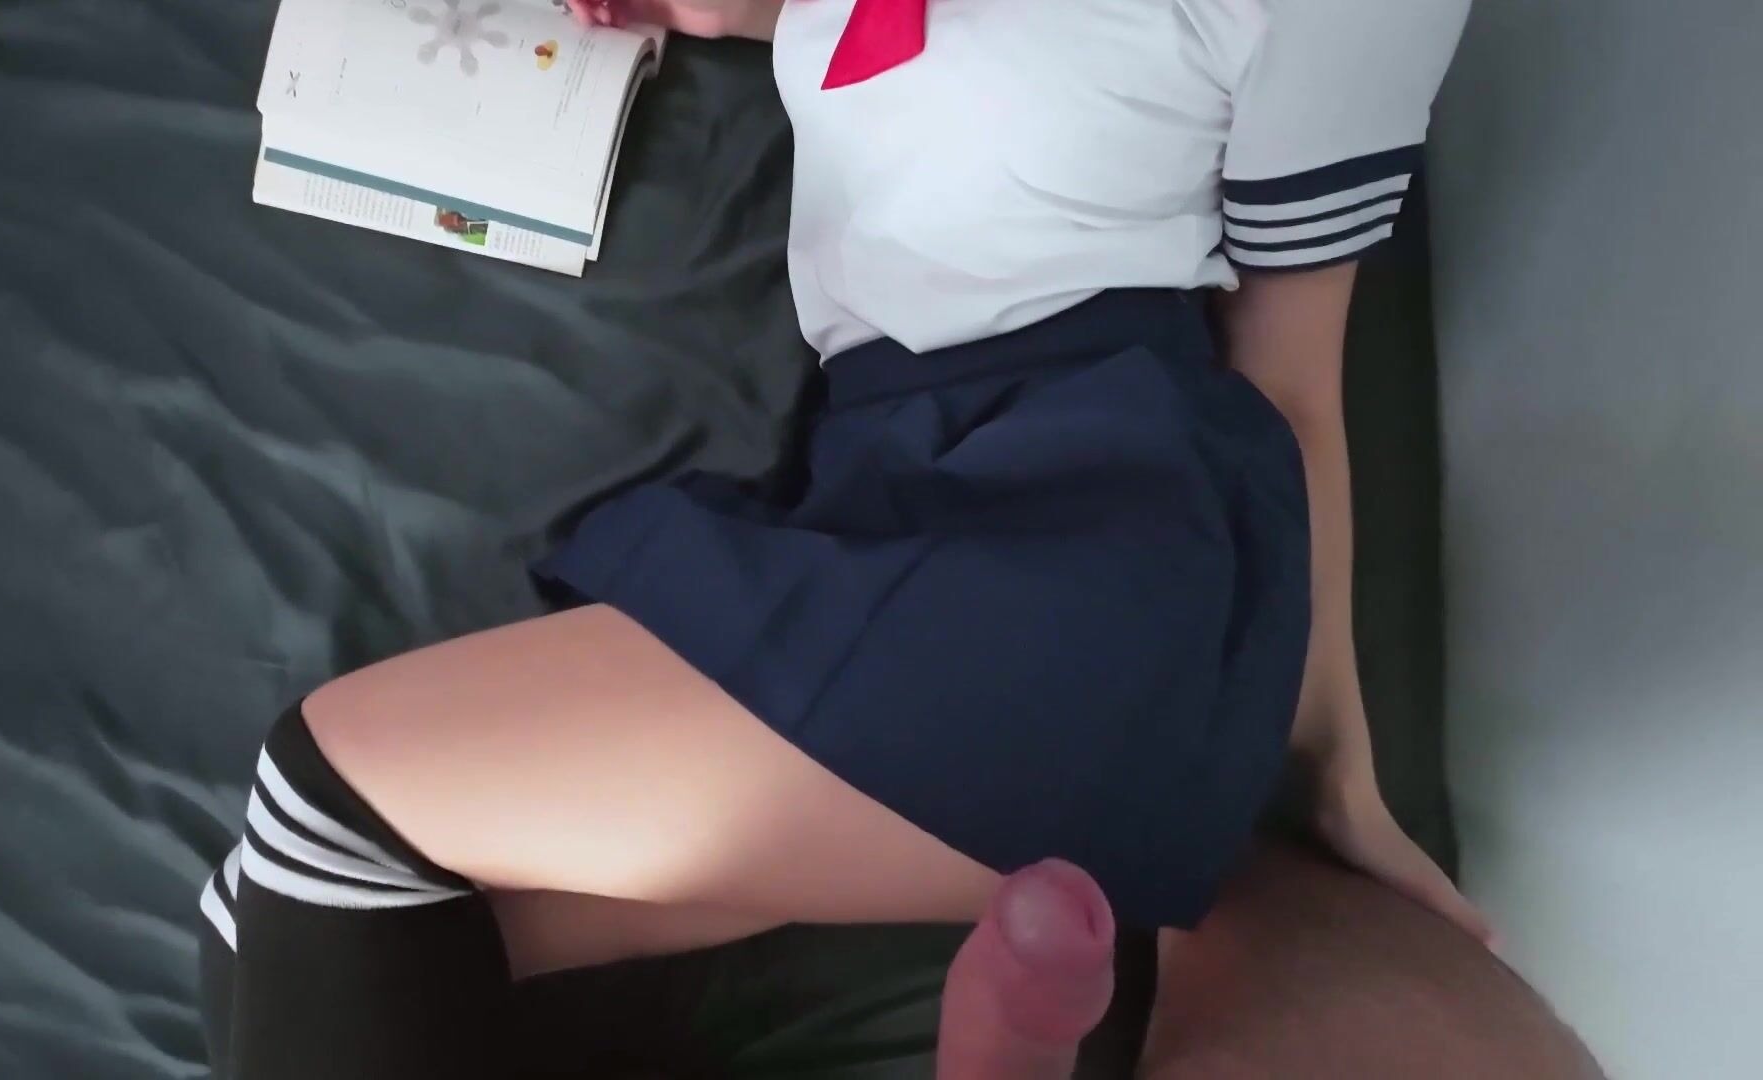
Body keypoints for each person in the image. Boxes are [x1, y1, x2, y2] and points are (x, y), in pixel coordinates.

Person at [197, 1, 1489, 1075]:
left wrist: (1334, 771)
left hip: (1087, 537)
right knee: (267, 926)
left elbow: (1292, 385)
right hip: (892, 497)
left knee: (324, 817)